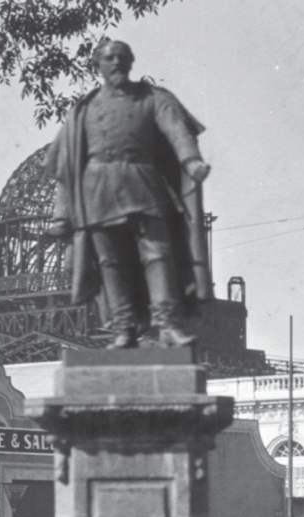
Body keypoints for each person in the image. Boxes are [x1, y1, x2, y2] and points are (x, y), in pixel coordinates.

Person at [45, 39, 213, 349]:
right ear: (98, 65)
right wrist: (62, 214)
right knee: (111, 262)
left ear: (132, 62)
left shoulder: (153, 99)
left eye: (122, 57)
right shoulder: (83, 111)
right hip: (98, 193)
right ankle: (123, 329)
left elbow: (177, 131)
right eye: (109, 58)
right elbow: (66, 166)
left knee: (158, 253)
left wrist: (191, 161)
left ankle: (168, 324)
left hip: (143, 184)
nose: (116, 63)